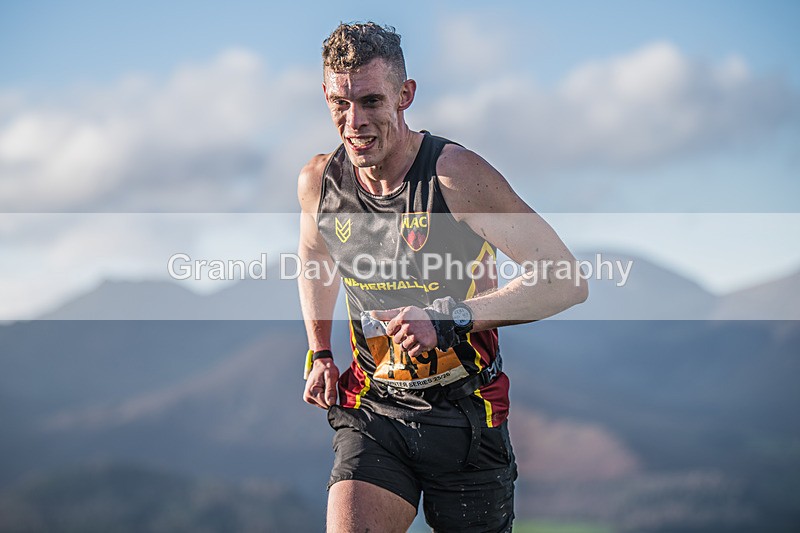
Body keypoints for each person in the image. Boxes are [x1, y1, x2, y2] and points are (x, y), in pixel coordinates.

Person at [298, 22, 587, 533]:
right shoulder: (321, 181)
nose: (354, 121)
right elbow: (315, 257)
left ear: (405, 95)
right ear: (325, 95)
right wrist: (320, 351)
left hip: (466, 415)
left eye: (370, 101)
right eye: (340, 103)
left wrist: (450, 317)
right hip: (375, 410)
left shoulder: (455, 176)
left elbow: (565, 279)